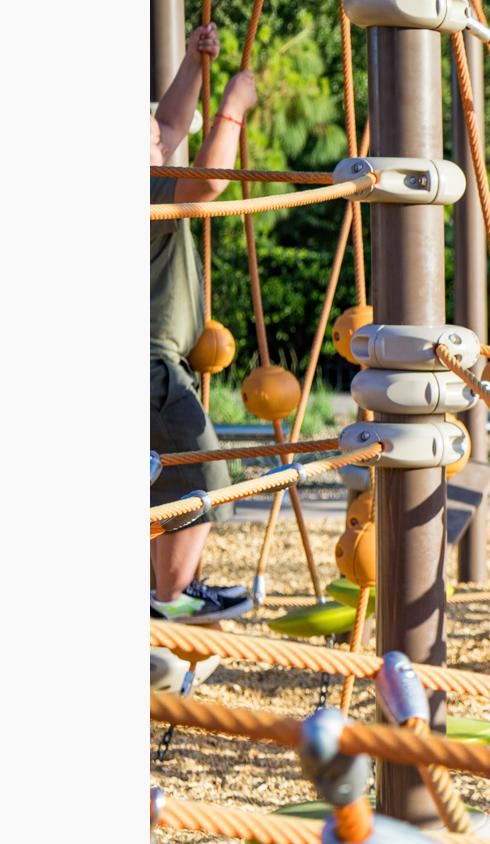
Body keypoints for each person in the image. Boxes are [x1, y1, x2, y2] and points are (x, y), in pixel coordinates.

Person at [151, 23, 259, 622]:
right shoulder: (141, 189)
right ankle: (172, 598)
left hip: (157, 360)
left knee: (165, 478)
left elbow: (170, 125)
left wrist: (195, 63)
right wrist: (232, 110)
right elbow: (210, 182)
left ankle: (162, 601)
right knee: (203, 468)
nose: (161, 133)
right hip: (152, 365)